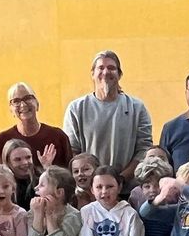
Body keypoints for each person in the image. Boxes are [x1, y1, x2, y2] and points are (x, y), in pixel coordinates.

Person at [63, 51, 153, 184]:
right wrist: (95, 182)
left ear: (119, 74)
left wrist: (119, 180)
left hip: (126, 188)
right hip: (89, 193)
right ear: (92, 73)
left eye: (111, 68)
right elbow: (72, 150)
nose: (106, 72)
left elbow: (143, 150)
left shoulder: (137, 108)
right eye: (101, 68)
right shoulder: (76, 109)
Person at [0, 82, 73, 169]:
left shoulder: (58, 136)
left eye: (28, 98)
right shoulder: (1, 140)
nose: (23, 105)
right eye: (16, 101)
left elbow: (70, 177)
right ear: (11, 109)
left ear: (37, 104)